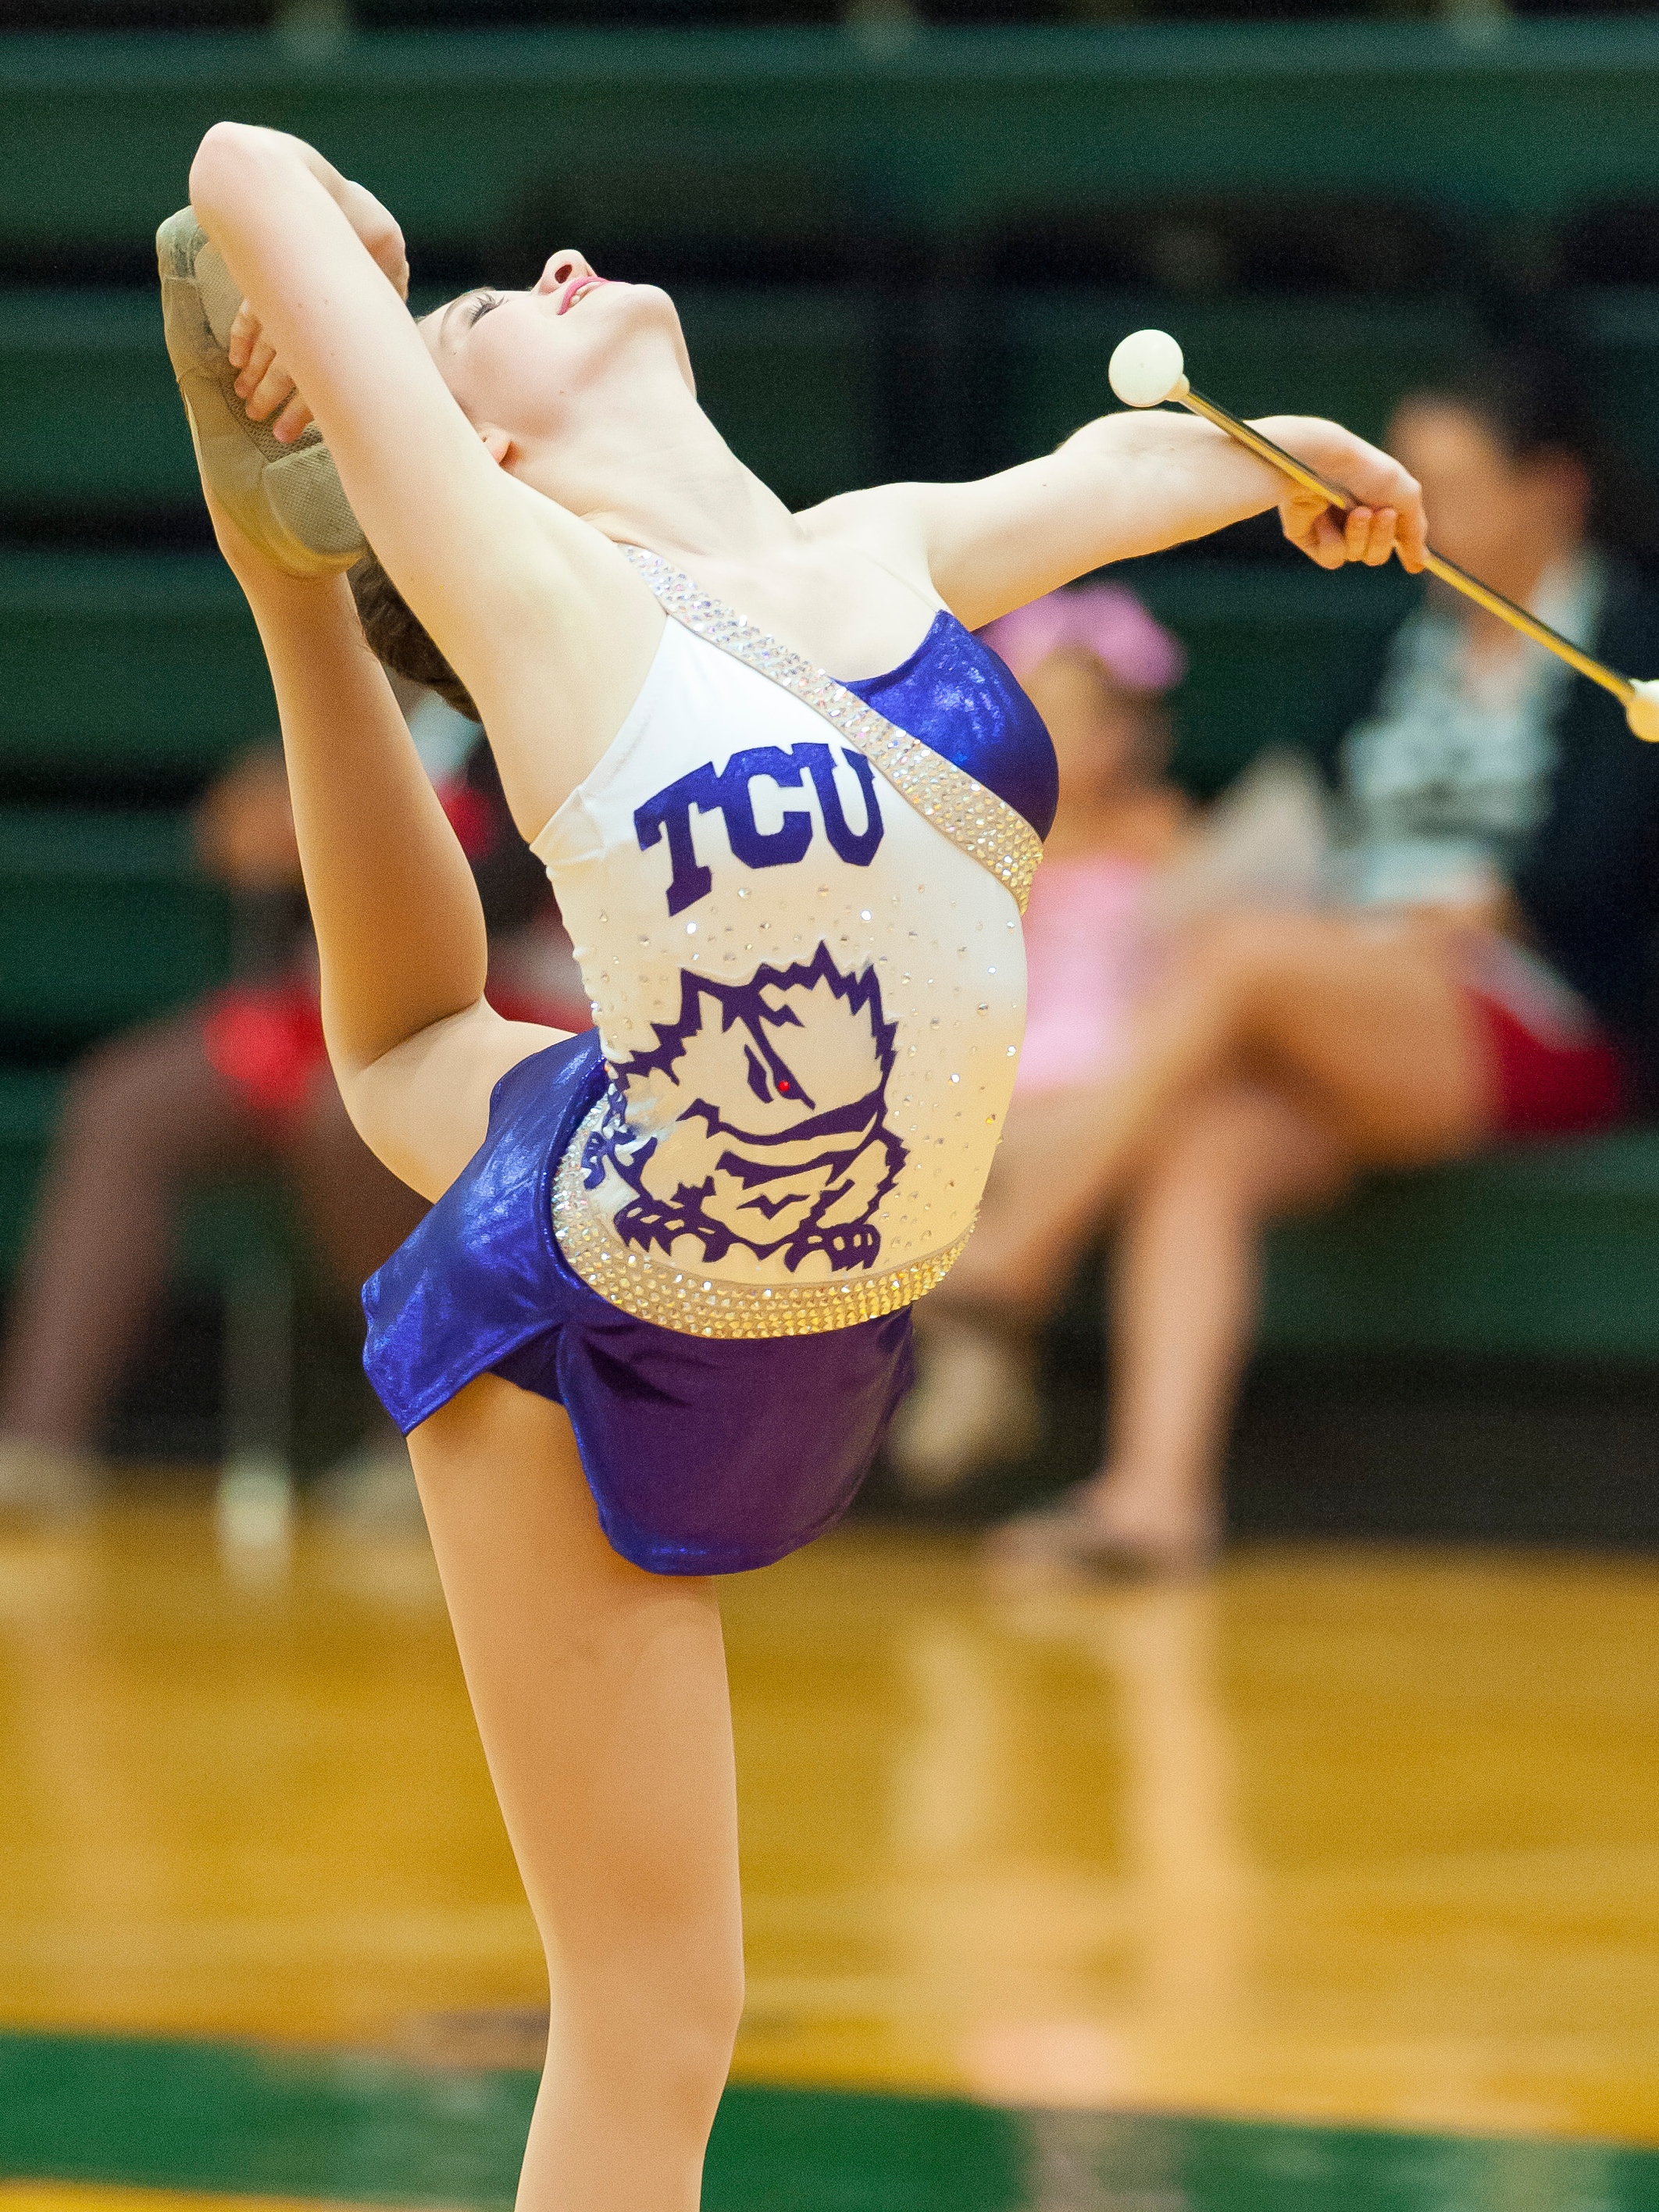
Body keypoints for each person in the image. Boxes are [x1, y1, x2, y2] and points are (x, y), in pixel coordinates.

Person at [175, 117, 1425, 2206]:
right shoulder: (535, 583)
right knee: (657, 2020)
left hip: (809, 1298)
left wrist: (1280, 451)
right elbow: (235, 162)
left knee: (417, 1045)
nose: (553, 260)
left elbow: (1111, 477)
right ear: (451, 455)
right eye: (477, 315)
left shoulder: (879, 546)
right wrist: (345, 259)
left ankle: (282, 596)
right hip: (579, 1316)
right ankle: (288, 601)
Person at [972, 351, 1659, 1579]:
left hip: (1545, 1021)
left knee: (1245, 962)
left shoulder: (1634, 643)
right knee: (1208, 1145)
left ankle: (1018, 1247)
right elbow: (1309, 815)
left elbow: (1602, 871)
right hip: (1366, 993)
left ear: (1552, 489)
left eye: (1445, 481)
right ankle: (1153, 1500)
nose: (1412, 506)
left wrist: (1481, 908)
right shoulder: (1410, 647)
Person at [0, 707, 583, 1522]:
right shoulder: (341, 699)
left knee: (343, 1124)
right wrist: (254, 835)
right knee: (125, 1104)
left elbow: (492, 903)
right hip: (337, 1010)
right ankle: (37, 1446)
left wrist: (314, 839)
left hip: (503, 1013)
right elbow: (287, 917)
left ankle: (434, 1437)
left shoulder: (523, 701)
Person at [887, 582, 1190, 1486]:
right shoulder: (987, 837)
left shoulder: (1161, 834)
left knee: (1029, 1143)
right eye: (1038, 717)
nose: (1061, 744)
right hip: (1001, 1063)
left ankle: (982, 1335)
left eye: (1083, 721)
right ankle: (974, 1359)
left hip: (1109, 1066)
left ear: (1130, 734)